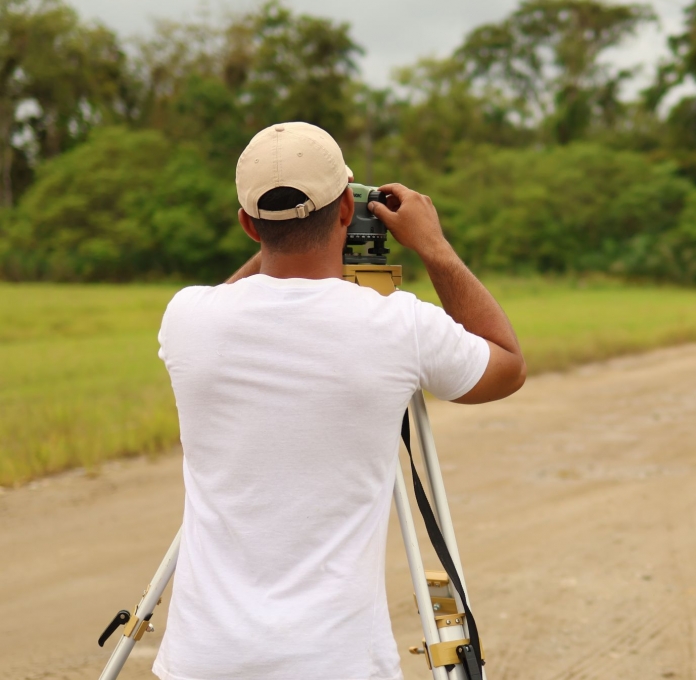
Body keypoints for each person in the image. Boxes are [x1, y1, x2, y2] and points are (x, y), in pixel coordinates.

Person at [152, 121, 526, 680]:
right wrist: (433, 245)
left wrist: (282, 240)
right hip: (336, 663)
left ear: (247, 225)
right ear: (349, 211)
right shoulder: (399, 326)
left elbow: (237, 294)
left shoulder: (187, 317)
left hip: (203, 661)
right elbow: (507, 365)